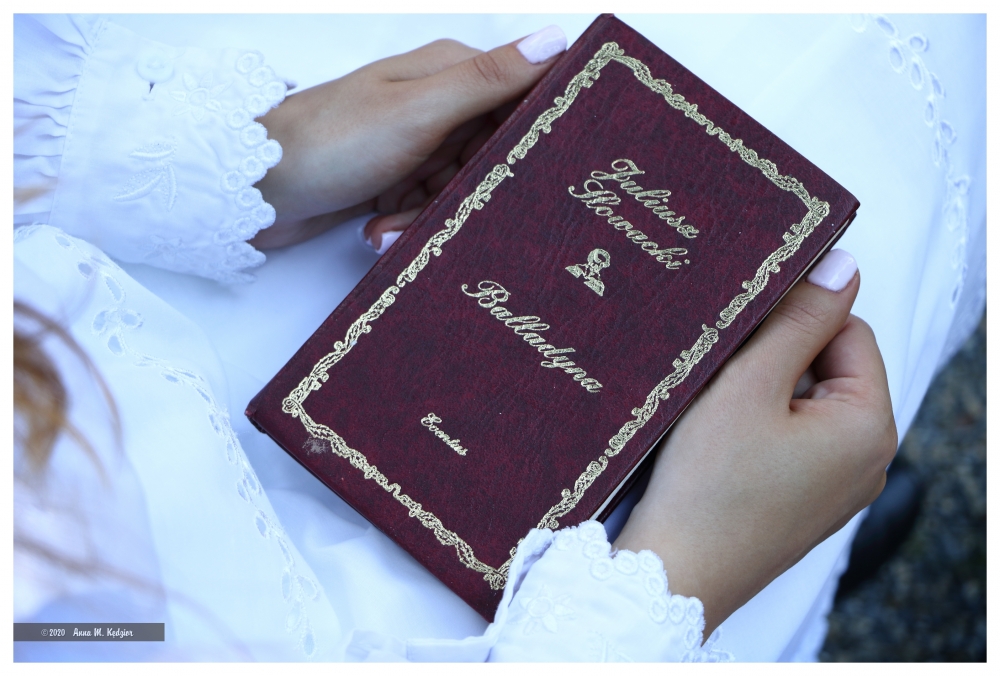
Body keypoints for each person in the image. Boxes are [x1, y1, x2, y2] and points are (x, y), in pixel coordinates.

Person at [12, 14, 984, 661]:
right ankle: (805, 552)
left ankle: (809, 530)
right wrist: (671, 589)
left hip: (146, 277)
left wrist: (239, 159)